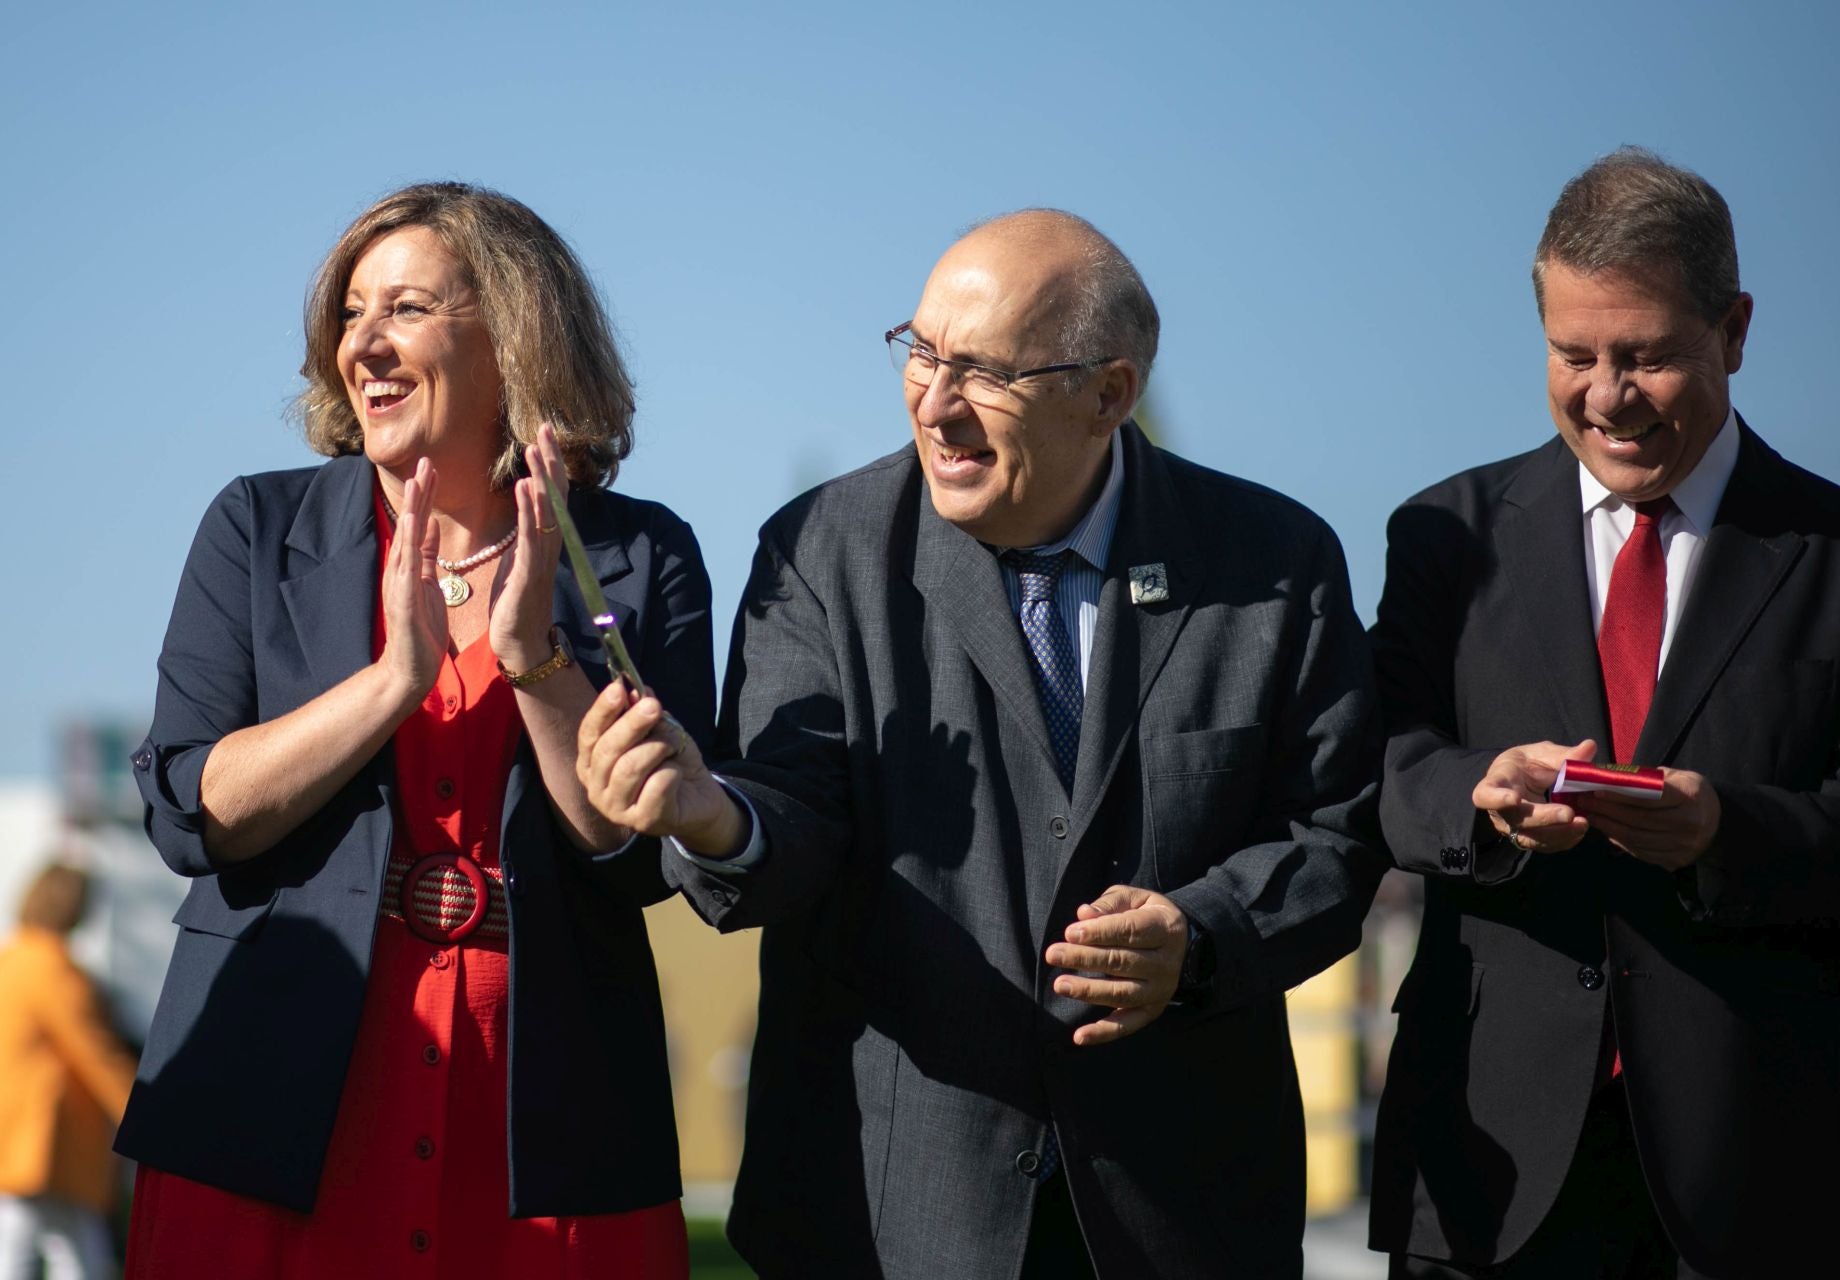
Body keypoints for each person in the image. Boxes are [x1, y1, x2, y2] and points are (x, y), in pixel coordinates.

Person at [578, 209, 1386, 1278]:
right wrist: (710, 815)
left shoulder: (1274, 561)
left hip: (1178, 1213)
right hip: (887, 1214)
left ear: (1109, 393)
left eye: (985, 372)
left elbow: (1337, 834)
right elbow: (794, 809)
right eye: (920, 352)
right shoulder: (820, 552)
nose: (936, 402)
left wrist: (1199, 936)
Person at [118, 182, 713, 1277]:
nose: (365, 345)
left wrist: (534, 652)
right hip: (269, 1101)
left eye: (404, 309)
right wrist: (396, 678)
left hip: (548, 1110)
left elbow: (635, 853)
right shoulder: (256, 526)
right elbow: (191, 807)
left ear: (514, 329)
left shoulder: (640, 553)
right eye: (351, 314)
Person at [1367, 148, 1840, 1278]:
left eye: (1648, 357)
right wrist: (1477, 802)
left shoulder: (1828, 551)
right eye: (1573, 354)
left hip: (1759, 1175)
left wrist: (1730, 828)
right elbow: (1383, 761)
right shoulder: (1445, 532)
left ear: (1734, 330)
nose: (1607, 395)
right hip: (1488, 1166)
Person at [0, 863, 135, 1280]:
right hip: (40, 1140)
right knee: (62, 1252)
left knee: (30, 1246)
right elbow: (97, 1054)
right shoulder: (55, 972)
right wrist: (145, 1115)